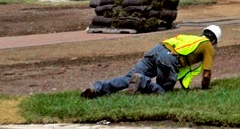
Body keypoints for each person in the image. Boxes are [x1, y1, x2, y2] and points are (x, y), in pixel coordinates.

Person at [81, 25, 220, 97]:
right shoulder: (208, 46)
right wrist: (205, 89)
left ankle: (97, 88)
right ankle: (143, 81)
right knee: (163, 92)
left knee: (128, 78)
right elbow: (206, 74)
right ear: (214, 40)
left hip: (156, 50)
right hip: (168, 57)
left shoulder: (191, 38)